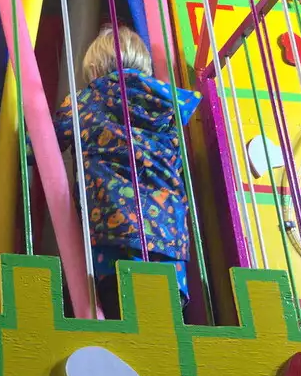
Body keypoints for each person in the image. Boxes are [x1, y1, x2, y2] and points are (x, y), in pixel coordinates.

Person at [57, 24, 199, 319]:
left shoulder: (87, 101)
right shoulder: (168, 104)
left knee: (121, 323)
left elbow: (40, 144)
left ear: (94, 69)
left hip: (114, 233)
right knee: (166, 327)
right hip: (169, 239)